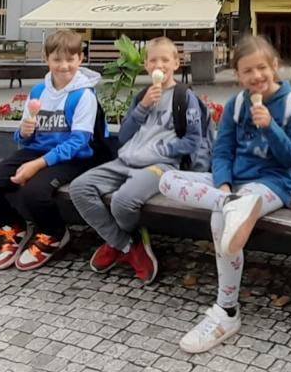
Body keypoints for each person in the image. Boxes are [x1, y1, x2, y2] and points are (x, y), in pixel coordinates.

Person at [157, 35, 291, 354]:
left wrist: (270, 126)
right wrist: (224, 186)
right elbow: (222, 151)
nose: (256, 76)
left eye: (262, 68)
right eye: (247, 70)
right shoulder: (236, 105)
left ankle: (227, 311)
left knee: (220, 222)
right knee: (166, 180)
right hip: (235, 186)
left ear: (275, 66)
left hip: (271, 185)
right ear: (238, 75)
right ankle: (229, 203)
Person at [69, 37, 204, 283]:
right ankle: (127, 244)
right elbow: (125, 136)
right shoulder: (142, 95)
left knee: (122, 202)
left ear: (176, 63)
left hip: (160, 165)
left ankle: (117, 243)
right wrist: (142, 106)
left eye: (165, 60)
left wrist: (163, 148)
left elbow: (194, 140)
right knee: (79, 188)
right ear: (146, 65)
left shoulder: (184, 97)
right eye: (153, 60)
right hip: (126, 161)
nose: (159, 65)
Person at [0, 28, 102, 271]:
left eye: (70, 59)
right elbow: (23, 137)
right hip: (36, 151)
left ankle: (54, 234)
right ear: (46, 59)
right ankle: (15, 229)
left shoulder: (84, 95)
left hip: (73, 158)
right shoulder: (39, 91)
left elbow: (79, 142)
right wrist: (24, 132)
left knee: (34, 192)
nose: (64, 66)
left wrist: (38, 164)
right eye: (57, 59)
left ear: (80, 59)